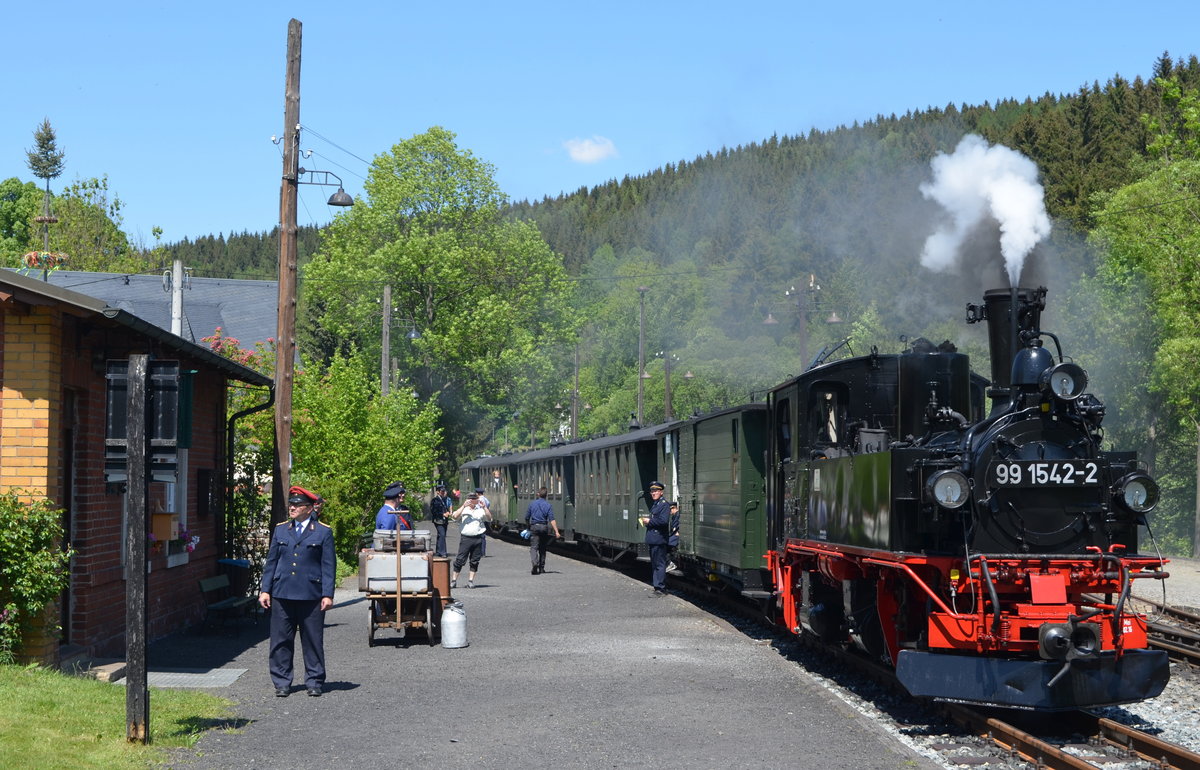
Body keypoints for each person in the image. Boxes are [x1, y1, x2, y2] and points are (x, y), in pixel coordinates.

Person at [259, 485, 336, 697]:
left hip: (311, 594)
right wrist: (265, 590)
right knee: (280, 640)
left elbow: (328, 565)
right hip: (282, 593)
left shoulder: (323, 531)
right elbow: (271, 562)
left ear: (309, 508)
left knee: (312, 640)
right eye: (291, 504)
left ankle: (314, 680)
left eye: (297, 505)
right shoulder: (281, 529)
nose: (292, 508)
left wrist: (327, 594)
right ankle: (282, 681)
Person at [450, 492, 491, 589]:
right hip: (466, 538)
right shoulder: (464, 509)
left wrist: (485, 507)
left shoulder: (480, 510)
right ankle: (454, 580)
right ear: (467, 500)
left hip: (477, 538)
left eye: (474, 499)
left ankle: (470, 581)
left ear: (477, 500)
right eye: (471, 499)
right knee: (460, 560)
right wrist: (463, 506)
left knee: (475, 561)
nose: (472, 501)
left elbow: (489, 518)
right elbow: (454, 516)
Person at [637, 480, 671, 595]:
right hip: (653, 538)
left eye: (656, 491)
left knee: (659, 564)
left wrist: (649, 521)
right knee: (655, 564)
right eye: (652, 491)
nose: (653, 493)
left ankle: (660, 588)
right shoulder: (656, 504)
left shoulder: (664, 505)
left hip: (659, 539)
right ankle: (657, 586)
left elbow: (663, 521)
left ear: (661, 492)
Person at [524, 487, 560, 575]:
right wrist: (556, 531)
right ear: (546, 495)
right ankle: (541, 568)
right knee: (543, 548)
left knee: (534, 547)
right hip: (544, 527)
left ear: (538, 494)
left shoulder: (532, 504)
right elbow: (552, 519)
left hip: (534, 527)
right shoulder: (548, 505)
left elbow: (526, 517)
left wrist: (528, 526)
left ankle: (535, 563)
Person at [429, 482, 453, 557]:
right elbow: (433, 511)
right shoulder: (435, 500)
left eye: (444, 491)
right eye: (442, 491)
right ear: (438, 492)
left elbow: (446, 508)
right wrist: (442, 514)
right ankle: (443, 552)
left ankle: (439, 550)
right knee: (442, 534)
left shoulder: (444, 499)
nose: (443, 493)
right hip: (438, 520)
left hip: (444, 520)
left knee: (441, 535)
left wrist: (448, 512)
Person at [473, 486, 491, 556]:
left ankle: (478, 551)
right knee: (483, 536)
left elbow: (476, 509)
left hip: (479, 519)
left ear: (477, 493)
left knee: (478, 535)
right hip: (485, 518)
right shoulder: (486, 500)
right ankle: (483, 552)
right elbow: (488, 507)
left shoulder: (478, 500)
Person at [667, 501, 681, 573]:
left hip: (677, 536)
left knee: (665, 545)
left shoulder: (678, 515)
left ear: (673, 508)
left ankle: (670, 563)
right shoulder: (674, 516)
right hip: (674, 535)